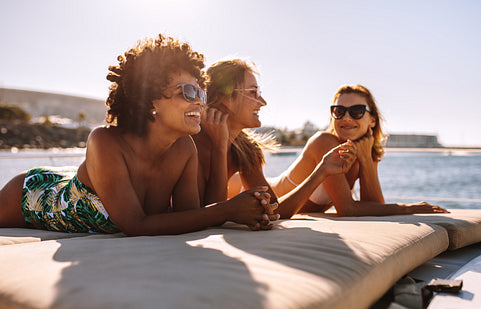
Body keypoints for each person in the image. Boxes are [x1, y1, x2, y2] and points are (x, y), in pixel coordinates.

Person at [0, 35, 277, 236]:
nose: (200, 102)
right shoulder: (105, 141)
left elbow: (196, 216)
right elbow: (135, 224)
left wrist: (222, 152)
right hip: (30, 195)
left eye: (201, 92)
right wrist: (228, 210)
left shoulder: (184, 149)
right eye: (189, 92)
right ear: (150, 101)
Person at [192, 58, 357, 219]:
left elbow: (274, 209)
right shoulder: (192, 143)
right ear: (225, 97)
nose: (262, 102)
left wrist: (322, 171)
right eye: (253, 92)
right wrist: (220, 147)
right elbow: (212, 217)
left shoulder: (246, 150)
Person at [269, 84, 448, 216]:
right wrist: (408, 208)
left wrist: (366, 160)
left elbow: (374, 206)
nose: (346, 117)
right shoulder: (324, 142)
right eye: (339, 111)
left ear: (372, 120)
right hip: (251, 190)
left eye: (356, 111)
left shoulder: (364, 149)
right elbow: (347, 209)